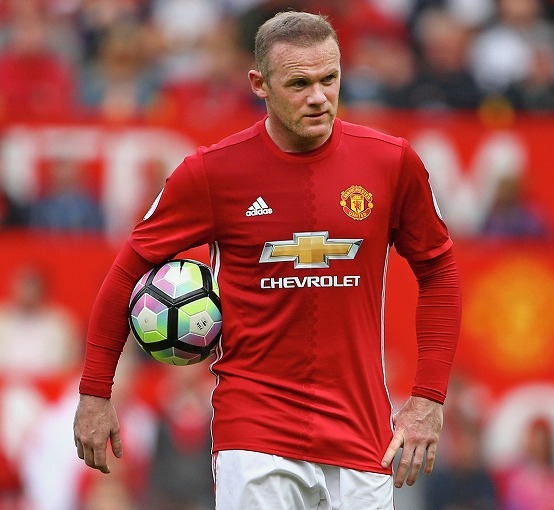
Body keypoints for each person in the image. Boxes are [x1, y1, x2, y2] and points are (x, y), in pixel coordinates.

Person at [73, 11, 461, 510]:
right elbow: (127, 271)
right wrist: (95, 393)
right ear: (260, 84)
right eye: (299, 84)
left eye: (329, 79)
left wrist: (428, 397)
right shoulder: (212, 172)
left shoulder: (390, 162)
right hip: (256, 435)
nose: (318, 97)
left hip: (363, 437)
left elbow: (439, 271)